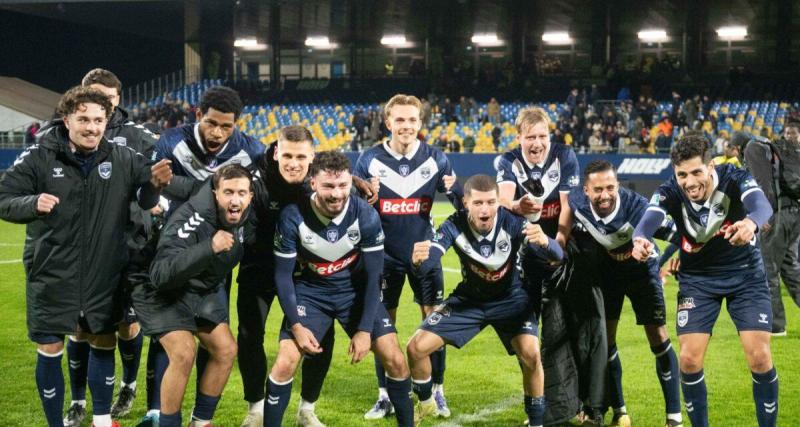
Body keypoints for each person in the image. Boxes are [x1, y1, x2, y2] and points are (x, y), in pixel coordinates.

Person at [0, 85, 172, 427]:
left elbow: (147, 197)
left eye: (98, 120)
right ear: (67, 120)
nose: (92, 127)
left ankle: (102, 420)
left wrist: (155, 185)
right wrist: (31, 204)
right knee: (50, 347)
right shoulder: (39, 155)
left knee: (103, 340)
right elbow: (4, 197)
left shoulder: (124, 157)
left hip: (104, 272)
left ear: (107, 121)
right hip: (52, 270)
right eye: (83, 120)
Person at [632, 133, 778, 427]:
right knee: (688, 359)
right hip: (698, 280)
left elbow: (762, 207)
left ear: (711, 165)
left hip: (745, 276)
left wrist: (751, 223)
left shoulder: (735, 177)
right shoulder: (669, 190)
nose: (689, 182)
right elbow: (648, 220)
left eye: (696, 172)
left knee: (760, 357)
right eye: (682, 174)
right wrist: (639, 239)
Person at [266, 151, 415, 427]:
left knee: (395, 359)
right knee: (285, 362)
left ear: (350, 183)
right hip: (311, 294)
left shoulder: (366, 215)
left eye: (343, 186)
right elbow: (283, 276)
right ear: (313, 184)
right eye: (328, 186)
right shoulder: (292, 217)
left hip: (354, 293)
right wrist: (297, 326)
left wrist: (364, 330)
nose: (336, 194)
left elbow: (373, 277)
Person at [51, 68, 162, 426]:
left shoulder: (140, 137)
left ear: (118, 100)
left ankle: (128, 385)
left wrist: (158, 200)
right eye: (96, 98)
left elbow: (162, 175)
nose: (103, 108)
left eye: (110, 101)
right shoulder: (61, 135)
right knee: (79, 327)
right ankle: (78, 400)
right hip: (81, 248)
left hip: (131, 247)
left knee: (127, 327)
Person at [407, 175, 563, 427]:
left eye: (491, 202)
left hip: (511, 300)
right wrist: (419, 261)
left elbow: (558, 256)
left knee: (532, 355)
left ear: (498, 204)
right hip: (469, 301)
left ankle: (536, 422)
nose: (485, 209)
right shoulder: (453, 225)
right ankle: (426, 403)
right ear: (466, 203)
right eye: (478, 203)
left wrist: (546, 241)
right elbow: (428, 264)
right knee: (415, 348)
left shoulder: (512, 223)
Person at [354, 94, 461, 419]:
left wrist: (456, 190)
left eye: (412, 120)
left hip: (424, 254)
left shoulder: (436, 158)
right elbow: (356, 210)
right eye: (399, 120)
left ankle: (438, 392)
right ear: (388, 123)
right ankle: (385, 394)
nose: (406, 126)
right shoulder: (368, 160)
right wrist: (366, 196)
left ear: (420, 123)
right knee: (383, 327)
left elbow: (460, 205)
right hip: (383, 257)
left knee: (435, 325)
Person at [132, 164, 253, 427]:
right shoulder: (192, 218)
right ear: (215, 193)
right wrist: (209, 247)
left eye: (242, 193)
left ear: (251, 196)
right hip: (159, 290)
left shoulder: (245, 211)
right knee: (184, 352)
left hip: (200, 287)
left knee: (226, 349)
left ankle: (201, 423)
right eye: (229, 192)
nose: (235, 200)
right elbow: (161, 274)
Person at [569, 160, 682, 427]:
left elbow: (679, 234)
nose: (605, 195)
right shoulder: (575, 203)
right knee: (605, 340)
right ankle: (620, 411)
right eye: (598, 189)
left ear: (617, 185)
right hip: (608, 270)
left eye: (610, 187)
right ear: (586, 190)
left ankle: (674, 418)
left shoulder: (638, 208)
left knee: (658, 336)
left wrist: (667, 261)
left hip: (642, 271)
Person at [742, 122, 800, 336]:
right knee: (790, 268)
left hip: (777, 216)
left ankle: (776, 325)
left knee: (768, 269)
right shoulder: (778, 151)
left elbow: (763, 183)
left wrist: (762, 215)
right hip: (794, 212)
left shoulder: (753, 149)